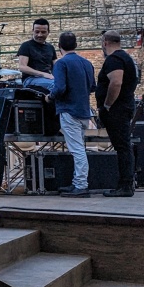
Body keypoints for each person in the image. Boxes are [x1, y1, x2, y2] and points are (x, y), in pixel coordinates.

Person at [50, 32, 97, 197]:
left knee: (77, 150)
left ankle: (81, 184)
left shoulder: (61, 64)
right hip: (84, 110)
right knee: (80, 148)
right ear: (76, 45)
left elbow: (60, 88)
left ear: (59, 46)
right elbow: (92, 87)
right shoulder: (87, 63)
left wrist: (50, 96)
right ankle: (77, 181)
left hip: (69, 110)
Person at [97, 31, 139, 197]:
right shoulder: (127, 58)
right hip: (124, 106)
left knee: (122, 147)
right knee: (124, 146)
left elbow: (116, 82)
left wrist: (107, 105)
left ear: (105, 42)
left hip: (117, 109)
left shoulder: (114, 60)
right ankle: (126, 183)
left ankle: (125, 186)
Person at [17, 18, 56, 94]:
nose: (40, 35)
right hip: (30, 79)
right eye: (37, 32)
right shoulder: (26, 46)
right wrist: (43, 74)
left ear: (48, 32)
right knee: (55, 85)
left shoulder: (50, 47)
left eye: (43, 32)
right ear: (32, 31)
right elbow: (22, 67)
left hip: (48, 78)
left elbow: (55, 66)